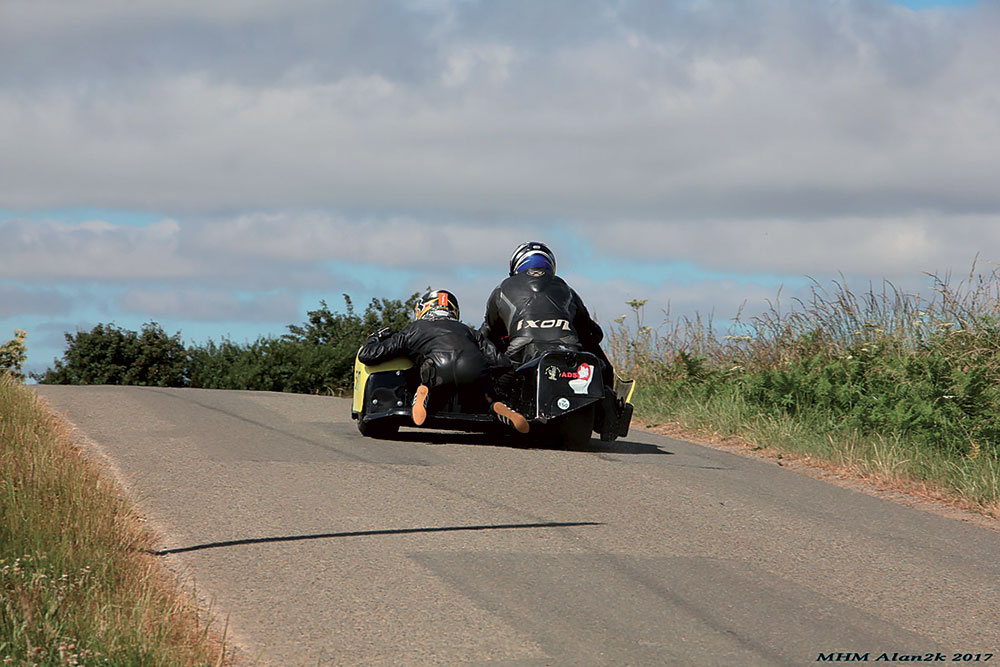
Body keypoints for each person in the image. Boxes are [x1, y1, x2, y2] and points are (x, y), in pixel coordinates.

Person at [480, 241, 623, 438]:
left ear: (515, 266)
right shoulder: (566, 289)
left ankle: (491, 405)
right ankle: (608, 404)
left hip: (521, 355)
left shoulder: (502, 289)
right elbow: (594, 333)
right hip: (569, 349)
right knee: (594, 352)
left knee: (488, 360)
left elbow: (486, 335)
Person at [358, 289, 529, 433]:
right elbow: (503, 363)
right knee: (487, 390)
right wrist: (498, 389)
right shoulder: (468, 331)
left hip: (436, 373)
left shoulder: (414, 329)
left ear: (423, 309)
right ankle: (497, 404)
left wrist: (375, 337)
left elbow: (368, 355)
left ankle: (422, 390)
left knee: (416, 368)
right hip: (474, 372)